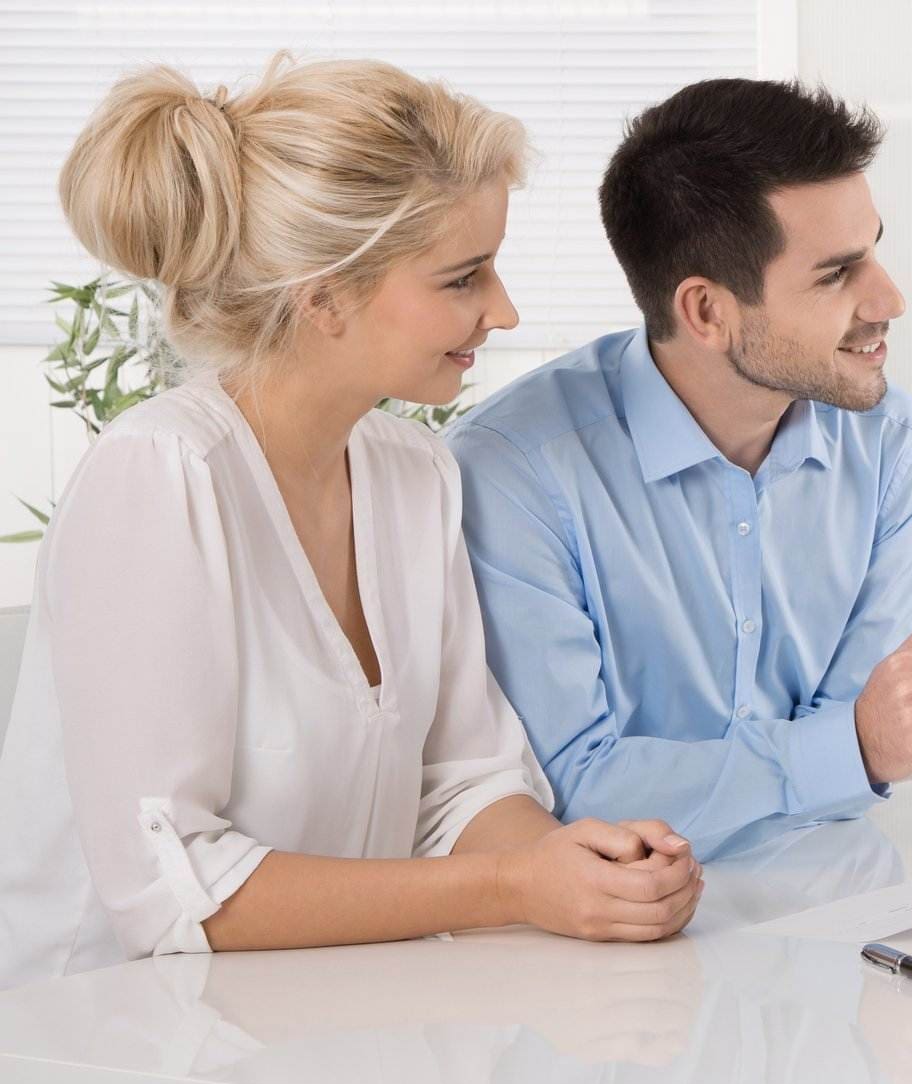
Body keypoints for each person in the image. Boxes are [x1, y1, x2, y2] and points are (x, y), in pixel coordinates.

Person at [0, 56, 701, 991]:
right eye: (462, 278)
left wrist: (577, 867)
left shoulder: (415, 476)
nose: (504, 309)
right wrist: (508, 887)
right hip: (110, 1037)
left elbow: (465, 778)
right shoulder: (162, 477)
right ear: (321, 295)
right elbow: (175, 895)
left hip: (324, 1020)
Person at [446, 79, 912, 861]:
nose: (888, 297)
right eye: (835, 274)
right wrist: (842, 751)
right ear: (707, 312)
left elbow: (870, 727)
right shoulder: (513, 470)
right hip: (604, 935)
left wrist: (851, 746)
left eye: (875, 250)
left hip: (832, 888)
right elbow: (571, 789)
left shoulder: (888, 441)